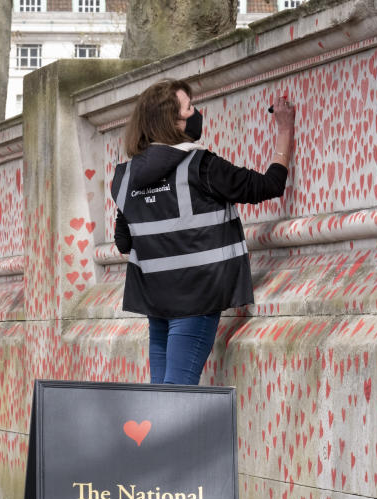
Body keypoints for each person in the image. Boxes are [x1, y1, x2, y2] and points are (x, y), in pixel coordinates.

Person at [112, 79, 294, 385]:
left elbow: (123, 242)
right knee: (177, 397)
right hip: (196, 300)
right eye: (189, 108)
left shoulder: (127, 177)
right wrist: (285, 130)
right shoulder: (202, 166)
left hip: (156, 305)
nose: (197, 113)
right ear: (174, 122)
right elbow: (268, 185)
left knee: (162, 395)